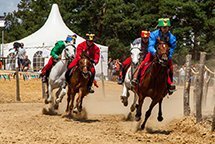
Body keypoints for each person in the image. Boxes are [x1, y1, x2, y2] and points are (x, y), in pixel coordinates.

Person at [132, 18, 176, 95]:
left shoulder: (172, 37)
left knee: (170, 68)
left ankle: (170, 84)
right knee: (143, 63)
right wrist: (155, 52)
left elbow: (172, 47)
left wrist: (169, 55)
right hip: (154, 53)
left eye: (167, 27)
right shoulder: (154, 34)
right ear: (160, 27)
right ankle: (136, 78)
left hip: (166, 55)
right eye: (163, 27)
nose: (165, 29)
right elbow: (150, 45)